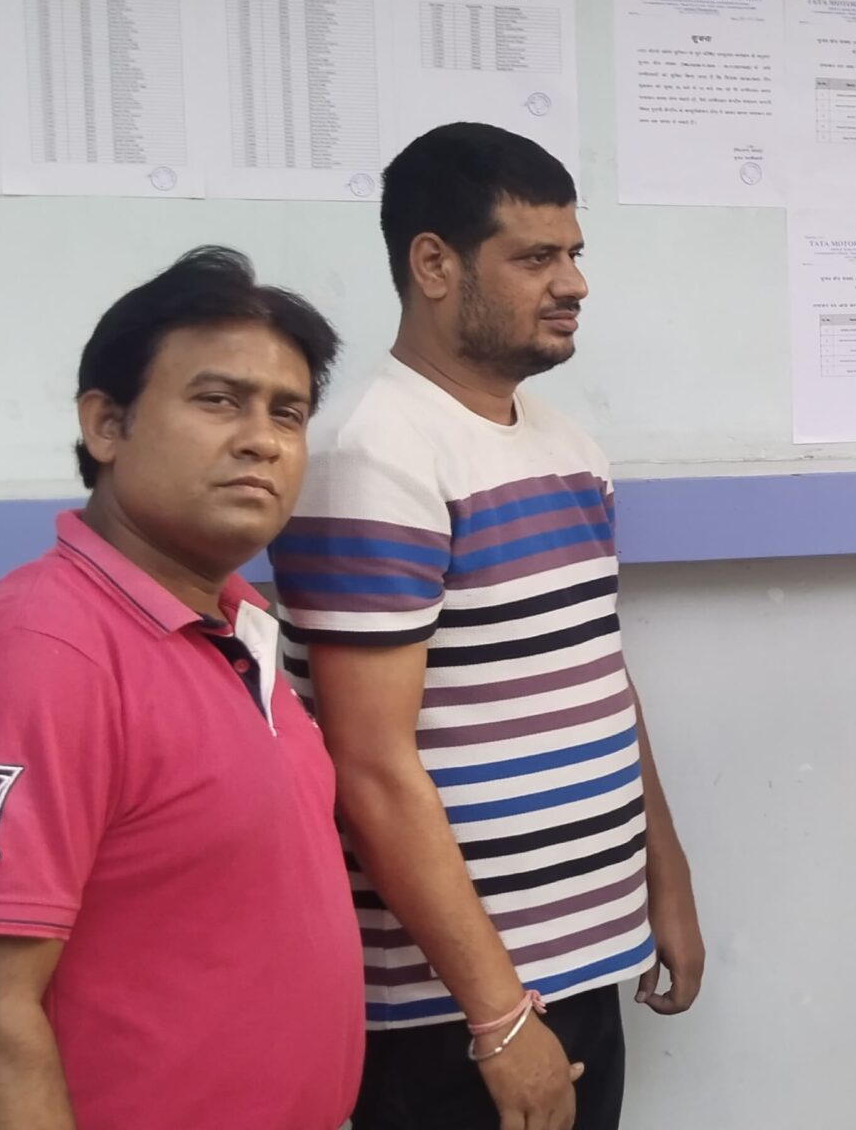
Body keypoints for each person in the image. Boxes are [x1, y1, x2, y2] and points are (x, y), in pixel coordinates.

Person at [270, 122, 703, 1130]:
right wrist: (499, 1019)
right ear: (434, 264)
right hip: (455, 1012)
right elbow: (370, 768)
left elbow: (597, 678)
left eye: (575, 254)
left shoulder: (568, 448)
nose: (573, 284)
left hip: (581, 965)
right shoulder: (375, 454)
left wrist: (664, 879)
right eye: (535, 258)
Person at [0, 247, 359, 1129]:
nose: (262, 439)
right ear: (106, 425)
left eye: (289, 412)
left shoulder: (237, 628)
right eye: (218, 399)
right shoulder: (43, 651)